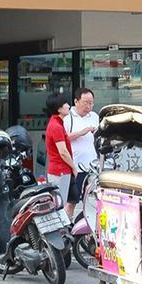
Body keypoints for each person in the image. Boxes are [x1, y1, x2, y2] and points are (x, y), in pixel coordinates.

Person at [63, 87, 98, 218]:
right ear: (76, 101)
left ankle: (85, 228)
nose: (88, 106)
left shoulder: (94, 116)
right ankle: (66, 228)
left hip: (92, 166)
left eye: (91, 103)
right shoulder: (67, 117)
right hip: (75, 166)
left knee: (90, 201)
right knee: (72, 201)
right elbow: (63, 138)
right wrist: (81, 132)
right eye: (85, 103)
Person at [44, 92, 77, 207]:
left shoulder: (56, 123)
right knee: (59, 204)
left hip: (60, 170)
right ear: (59, 109)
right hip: (60, 171)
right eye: (66, 104)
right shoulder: (56, 126)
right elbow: (63, 152)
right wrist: (74, 168)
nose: (69, 106)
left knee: (60, 203)